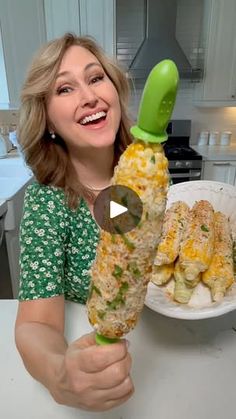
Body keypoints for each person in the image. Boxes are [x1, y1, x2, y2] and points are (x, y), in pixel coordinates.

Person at [15, 32, 134, 412]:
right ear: (48, 118)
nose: (89, 97)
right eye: (65, 89)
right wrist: (60, 376)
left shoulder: (146, 175)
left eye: (96, 78)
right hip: (106, 361)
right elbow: (37, 325)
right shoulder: (48, 201)